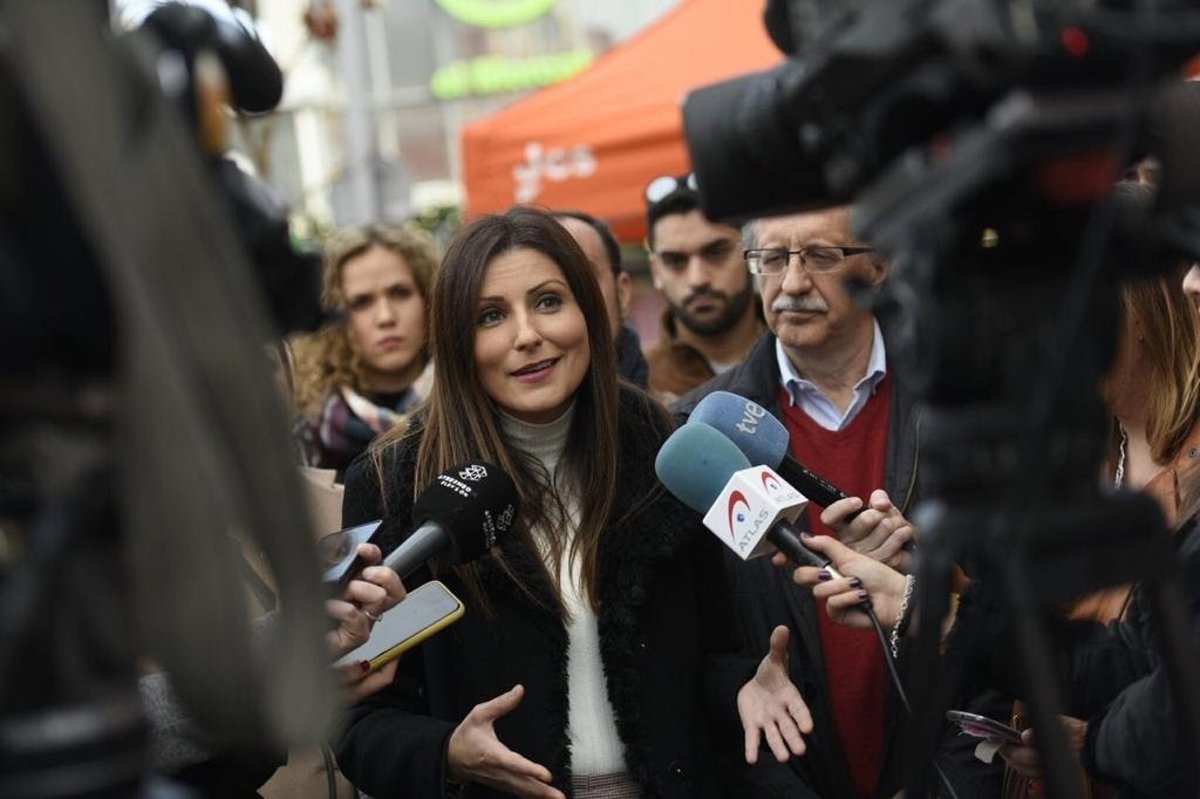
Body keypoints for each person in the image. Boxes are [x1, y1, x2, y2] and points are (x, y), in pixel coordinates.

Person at [336, 207, 812, 799]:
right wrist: (448, 754)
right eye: (491, 316)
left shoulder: (668, 451)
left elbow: (713, 654)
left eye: (548, 302)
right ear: (457, 340)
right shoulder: (393, 480)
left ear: (589, 310)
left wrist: (744, 688)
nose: (527, 335)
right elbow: (360, 720)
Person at [673, 206, 997, 798]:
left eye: (822, 256)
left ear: (880, 264)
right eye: (773, 259)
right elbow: (688, 646)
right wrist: (740, 688)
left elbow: (1018, 617)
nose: (794, 282)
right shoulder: (697, 430)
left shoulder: (968, 402)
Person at [291, 223, 438, 479]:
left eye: (400, 293)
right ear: (332, 318)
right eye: (361, 302)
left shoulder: (475, 404)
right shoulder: (309, 432)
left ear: (429, 298)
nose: (385, 317)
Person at [642, 175, 763, 403]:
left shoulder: (803, 358)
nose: (697, 279)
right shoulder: (637, 387)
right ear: (656, 271)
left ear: (752, 252)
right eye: (675, 261)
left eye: (716, 252)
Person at [552, 209, 649, 388]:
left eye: (584, 279)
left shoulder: (682, 401)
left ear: (622, 294)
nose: (571, 301)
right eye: (547, 299)